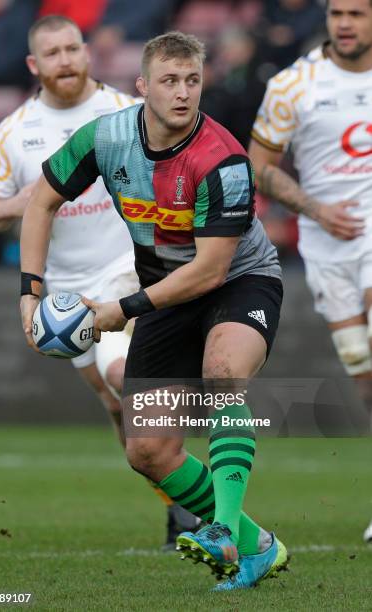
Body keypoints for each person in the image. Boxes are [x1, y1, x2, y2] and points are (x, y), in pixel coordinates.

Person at [19, 30, 289, 590]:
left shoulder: (224, 160)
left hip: (240, 281)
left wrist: (124, 308)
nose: (183, 92)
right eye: (169, 80)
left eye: (192, 80)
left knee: (222, 374)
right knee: (147, 450)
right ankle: (255, 544)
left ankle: (219, 527)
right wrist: (30, 289)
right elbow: (42, 201)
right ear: (142, 86)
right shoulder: (107, 137)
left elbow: (212, 271)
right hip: (166, 288)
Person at [0, 15, 199, 548]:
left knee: (125, 376)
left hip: (128, 266)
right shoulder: (14, 131)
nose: (66, 59)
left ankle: (202, 503)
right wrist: (25, 202)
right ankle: (177, 501)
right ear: (34, 65)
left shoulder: (124, 112)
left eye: (73, 48)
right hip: (66, 294)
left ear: (88, 52)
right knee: (118, 406)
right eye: (53, 53)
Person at [248, 0, 372, 543]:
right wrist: (317, 211)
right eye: (338, 12)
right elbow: (258, 166)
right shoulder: (292, 86)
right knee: (363, 374)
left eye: (359, 13)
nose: (345, 23)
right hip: (327, 246)